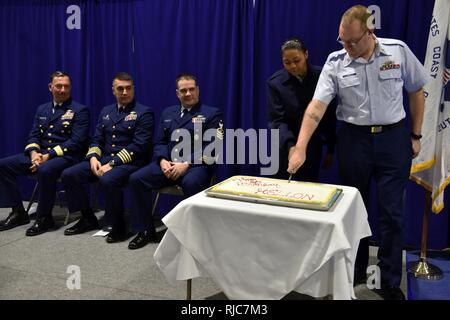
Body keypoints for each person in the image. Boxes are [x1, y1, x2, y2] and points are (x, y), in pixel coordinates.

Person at [287, 5, 428, 300]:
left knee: (393, 213)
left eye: (352, 41)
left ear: (370, 32)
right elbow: (316, 107)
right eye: (343, 41)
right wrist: (300, 146)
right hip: (354, 141)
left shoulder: (397, 51)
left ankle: (389, 281)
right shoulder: (335, 62)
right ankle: (353, 271)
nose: (347, 47)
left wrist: (415, 134)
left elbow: (416, 90)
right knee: (353, 210)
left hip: (393, 140)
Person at [127, 73, 223, 250]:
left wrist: (186, 164)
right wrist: (162, 160)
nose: (188, 94)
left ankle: (193, 236)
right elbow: (160, 142)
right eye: (183, 90)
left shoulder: (212, 114)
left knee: (191, 182)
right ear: (177, 94)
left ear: (198, 90)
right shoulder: (168, 113)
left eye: (191, 89)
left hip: (197, 166)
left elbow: (213, 147)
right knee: (136, 179)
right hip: (168, 165)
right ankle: (146, 230)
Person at [61, 72, 154, 243]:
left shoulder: (144, 112)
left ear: (133, 89)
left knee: (108, 180)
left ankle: (119, 226)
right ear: (113, 90)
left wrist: (112, 163)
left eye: (128, 88)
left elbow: (139, 146)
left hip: (131, 164)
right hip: (102, 161)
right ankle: (88, 217)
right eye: (120, 88)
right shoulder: (106, 111)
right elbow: (97, 139)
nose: (124, 92)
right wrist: (93, 158)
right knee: (69, 174)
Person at [0, 71, 90, 236]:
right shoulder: (42, 109)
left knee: (45, 170)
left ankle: (44, 217)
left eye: (66, 86)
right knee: (4, 165)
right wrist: (34, 153)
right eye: (59, 86)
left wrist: (47, 156)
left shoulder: (80, 110)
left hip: (67, 157)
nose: (63, 90)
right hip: (40, 156)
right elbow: (34, 135)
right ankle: (18, 212)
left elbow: (76, 141)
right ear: (50, 87)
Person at [267, 37, 336, 182]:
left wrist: (330, 149)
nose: (292, 66)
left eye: (296, 60)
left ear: (306, 54)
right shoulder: (276, 83)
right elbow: (277, 120)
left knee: (308, 189)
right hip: (285, 146)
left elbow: (330, 116)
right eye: (287, 62)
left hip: (313, 145)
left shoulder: (322, 77)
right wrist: (291, 147)